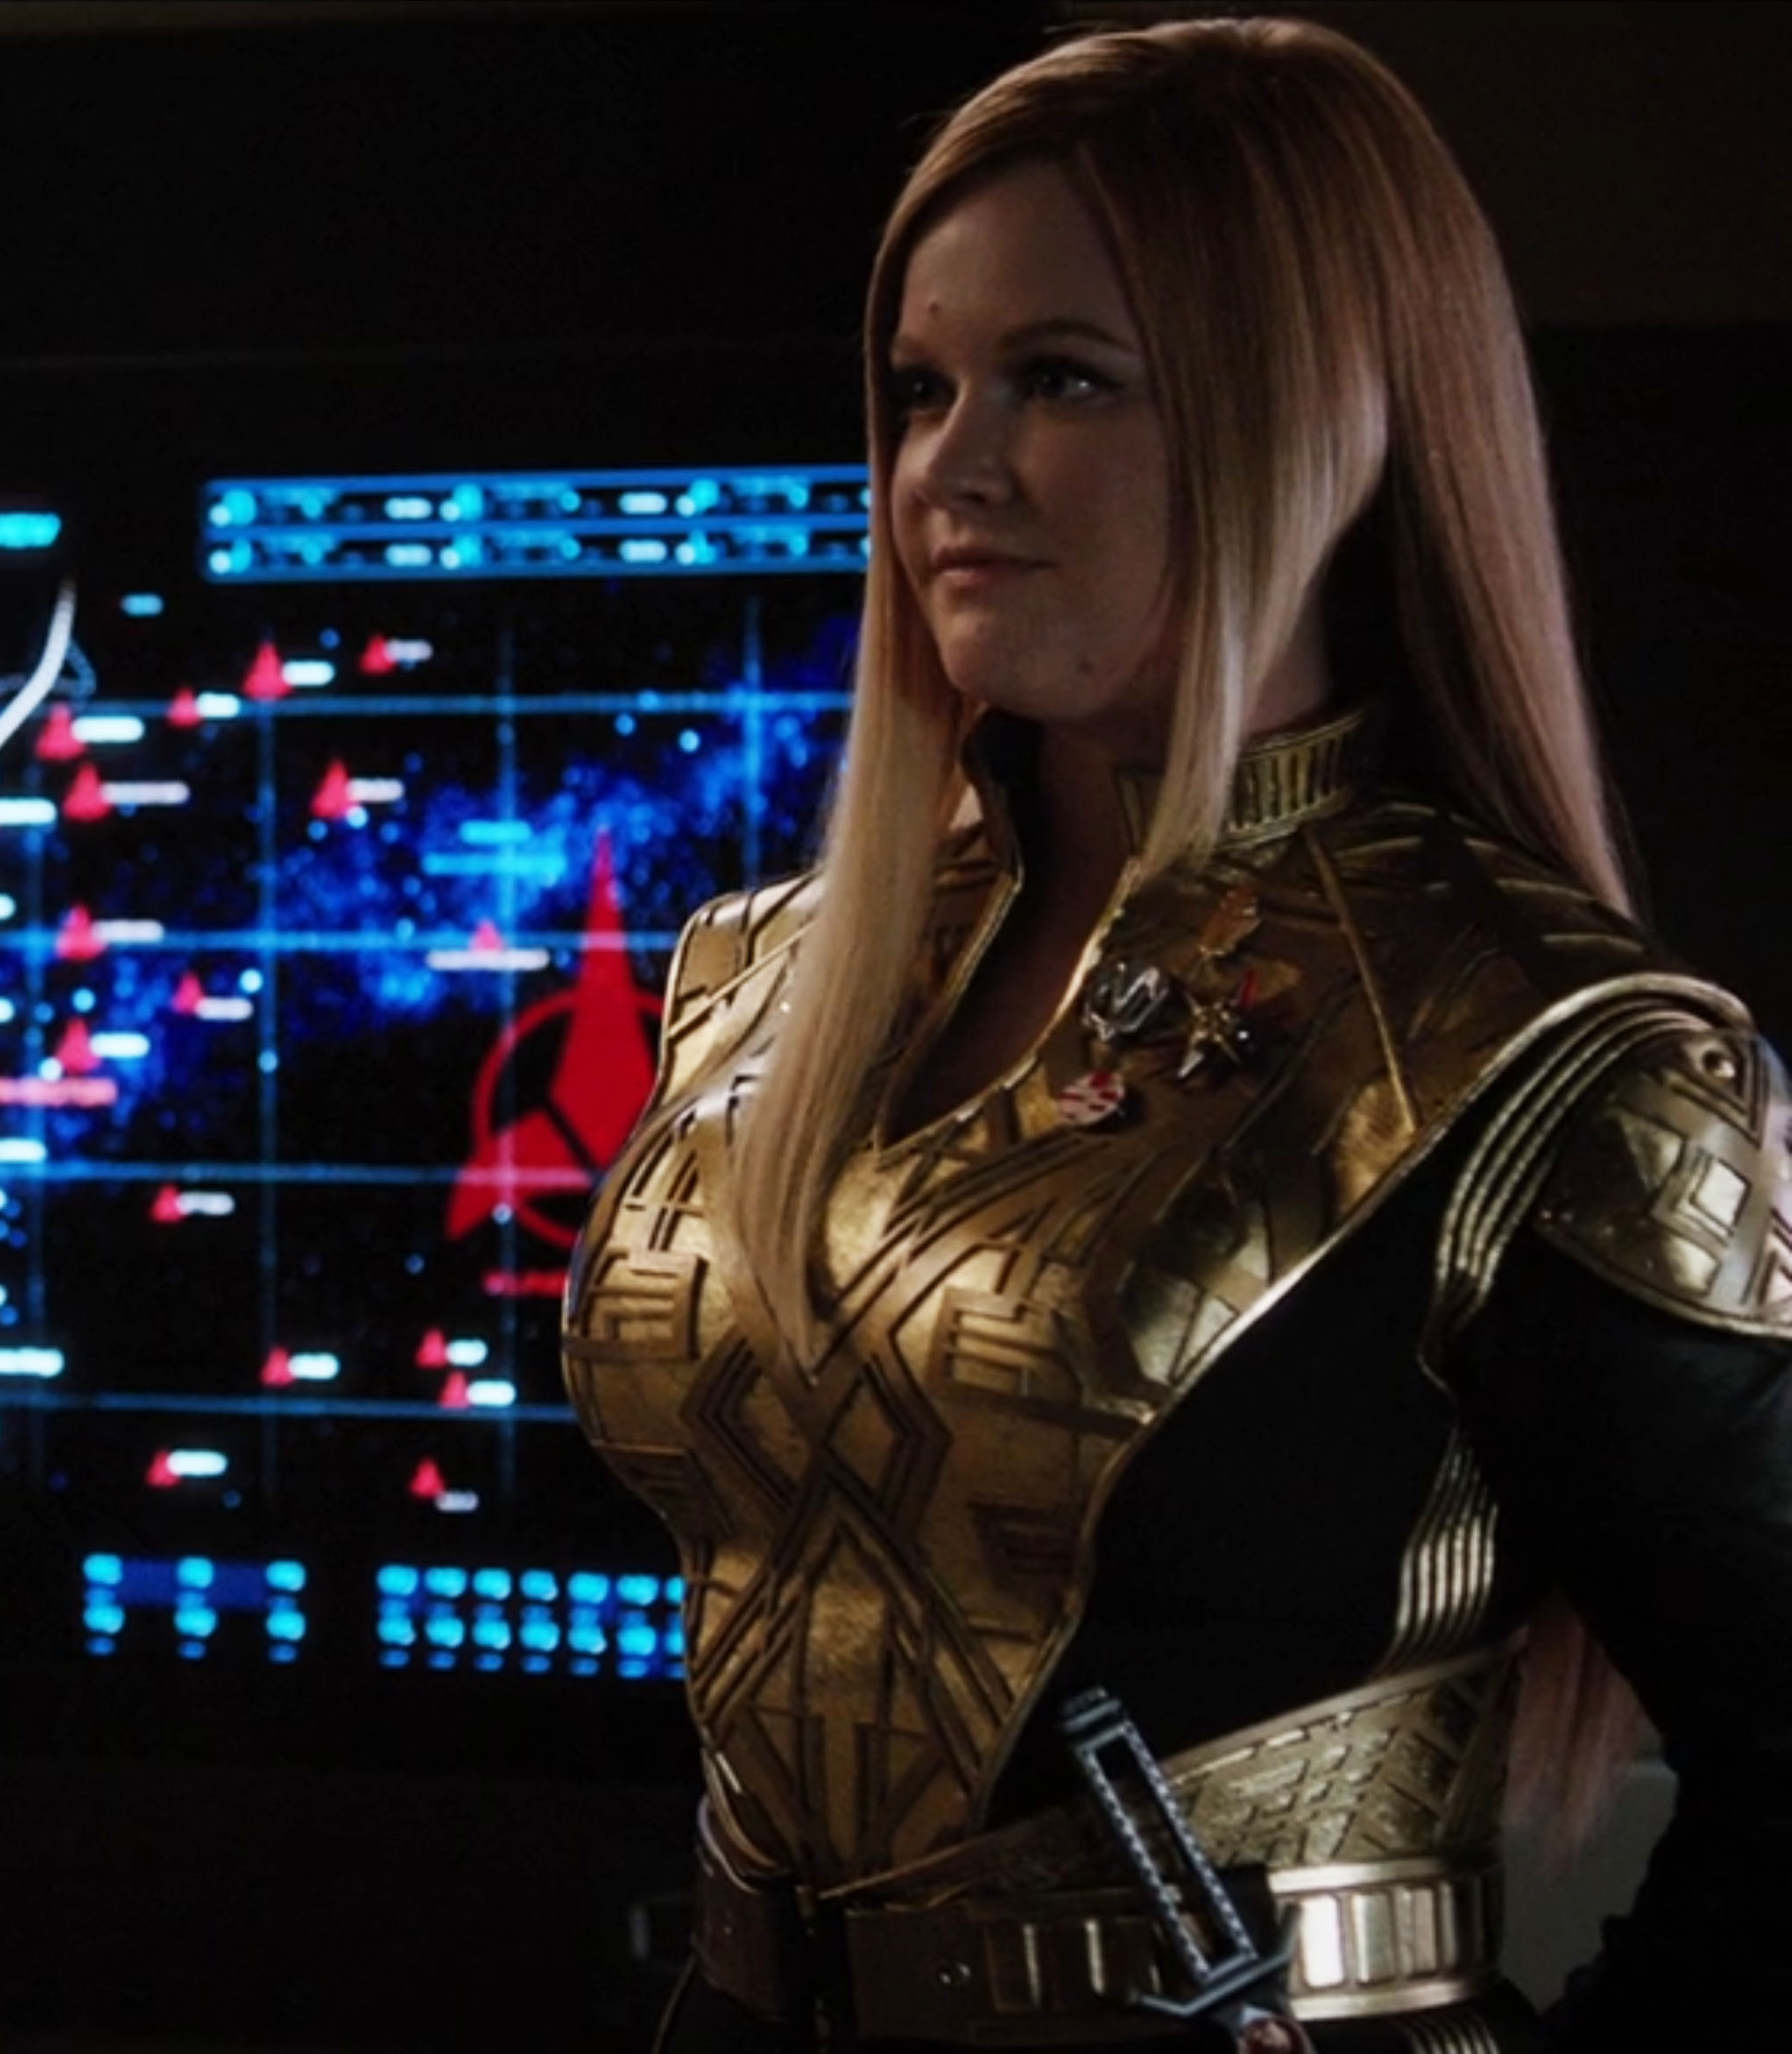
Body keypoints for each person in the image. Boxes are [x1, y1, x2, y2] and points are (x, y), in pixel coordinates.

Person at [564, 19, 1789, 2052]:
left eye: (1059, 378)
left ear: (1314, 422)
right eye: (918, 388)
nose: (944, 469)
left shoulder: (1541, 1049)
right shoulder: (757, 972)